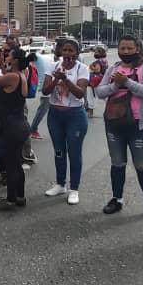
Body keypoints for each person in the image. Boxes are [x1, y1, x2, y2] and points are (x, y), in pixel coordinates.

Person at [96, 35, 143, 223]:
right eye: (122, 48)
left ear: (138, 49)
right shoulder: (112, 68)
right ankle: (117, 199)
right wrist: (115, 85)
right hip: (114, 123)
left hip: (140, 125)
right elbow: (100, 92)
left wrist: (127, 82)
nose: (125, 52)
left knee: (142, 166)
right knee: (117, 163)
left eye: (129, 48)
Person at [0, 46, 33, 211]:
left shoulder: (12, 77)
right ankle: (19, 196)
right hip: (19, 125)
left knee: (11, 165)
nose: (6, 56)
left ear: (15, 60)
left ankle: (10, 199)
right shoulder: (21, 75)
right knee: (16, 163)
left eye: (8, 55)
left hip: (10, 127)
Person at [41, 39, 90, 205]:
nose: (68, 54)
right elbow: (45, 90)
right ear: (60, 52)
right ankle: (60, 184)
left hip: (75, 115)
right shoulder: (53, 66)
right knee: (59, 151)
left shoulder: (82, 69)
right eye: (65, 50)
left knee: (74, 153)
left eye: (71, 51)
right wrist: (56, 79)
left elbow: (80, 94)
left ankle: (74, 189)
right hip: (55, 114)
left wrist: (66, 79)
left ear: (77, 53)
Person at [29, 45, 58, 139]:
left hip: (53, 86)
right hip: (48, 87)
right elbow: (42, 73)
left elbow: (42, 72)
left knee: (48, 109)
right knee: (43, 109)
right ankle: (33, 129)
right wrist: (42, 86)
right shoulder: (41, 59)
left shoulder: (42, 59)